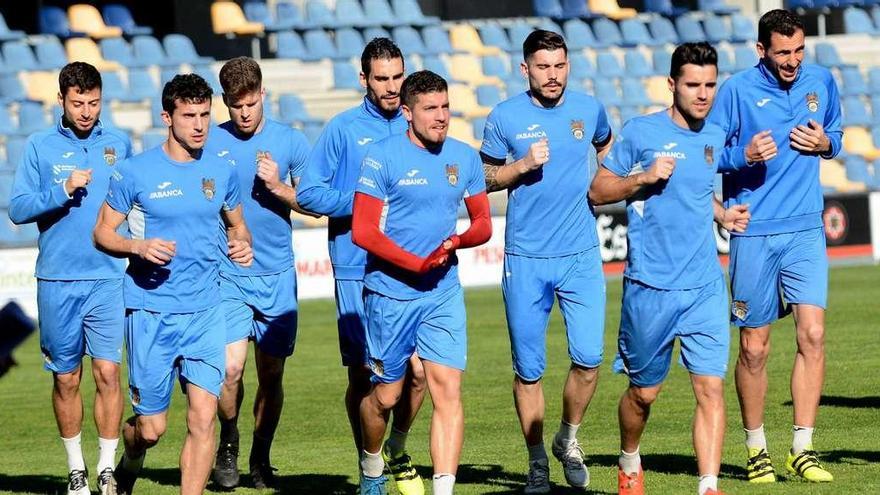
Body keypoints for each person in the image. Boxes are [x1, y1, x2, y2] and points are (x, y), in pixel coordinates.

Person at [591, 42, 751, 495]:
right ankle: (628, 459)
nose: (703, 94)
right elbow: (598, 190)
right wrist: (642, 177)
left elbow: (698, 192)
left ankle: (708, 484)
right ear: (672, 84)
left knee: (710, 390)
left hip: (704, 285)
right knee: (642, 396)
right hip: (650, 288)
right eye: (693, 85)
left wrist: (722, 214)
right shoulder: (641, 133)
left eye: (709, 85)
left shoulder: (714, 135)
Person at [92, 74, 253, 495]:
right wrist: (137, 246)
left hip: (205, 313)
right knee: (151, 429)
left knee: (203, 418)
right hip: (150, 313)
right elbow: (102, 233)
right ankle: (129, 461)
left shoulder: (222, 170)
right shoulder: (134, 172)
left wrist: (242, 246)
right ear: (167, 117)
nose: (199, 125)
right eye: (188, 116)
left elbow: (239, 228)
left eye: (204, 115)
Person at [708, 9, 842, 484]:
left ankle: (802, 448)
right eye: (783, 52)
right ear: (761, 50)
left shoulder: (822, 81)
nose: (792, 61)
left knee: (814, 335)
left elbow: (837, 135)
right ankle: (756, 447)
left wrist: (826, 142)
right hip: (754, 233)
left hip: (805, 228)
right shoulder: (736, 91)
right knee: (754, 348)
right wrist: (740, 156)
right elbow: (707, 155)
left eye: (799, 50)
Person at [479, 30, 612, 493]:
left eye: (559, 65)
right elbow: (483, 176)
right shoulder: (504, 117)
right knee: (528, 370)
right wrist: (518, 168)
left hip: (580, 254)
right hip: (526, 258)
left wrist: (616, 188)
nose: (552, 75)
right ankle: (537, 460)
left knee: (590, 360)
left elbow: (607, 152)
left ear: (568, 65)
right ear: (525, 70)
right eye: (542, 67)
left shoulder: (590, 109)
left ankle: (567, 438)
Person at [351, 69, 492, 495]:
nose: (442, 116)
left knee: (447, 389)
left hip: (442, 292)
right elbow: (363, 231)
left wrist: (457, 240)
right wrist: (414, 264)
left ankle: (443, 490)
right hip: (390, 295)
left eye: (446, 106)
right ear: (408, 113)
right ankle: (373, 466)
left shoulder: (465, 157)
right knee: (386, 397)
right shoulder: (381, 156)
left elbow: (483, 222)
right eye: (431, 108)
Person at [297, 37, 427, 494]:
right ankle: (369, 468)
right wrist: (363, 205)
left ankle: (397, 447)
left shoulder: (419, 124)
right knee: (363, 375)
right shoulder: (342, 129)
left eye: (397, 77)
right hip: (357, 268)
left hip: (411, 270)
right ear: (364, 80)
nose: (392, 88)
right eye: (382, 79)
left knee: (417, 374)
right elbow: (308, 193)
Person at [8, 61, 132, 495]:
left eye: (94, 103)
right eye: (78, 103)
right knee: (66, 378)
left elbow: (135, 204)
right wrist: (60, 192)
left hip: (108, 278)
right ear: (60, 100)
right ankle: (75, 468)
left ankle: (105, 467)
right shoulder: (39, 147)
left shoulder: (120, 143)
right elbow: (18, 209)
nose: (86, 111)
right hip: (58, 279)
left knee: (108, 373)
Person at [206, 56, 312, 490]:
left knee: (271, 374)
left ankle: (260, 457)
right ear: (224, 103)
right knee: (230, 371)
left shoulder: (291, 141)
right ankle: (227, 445)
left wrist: (279, 186)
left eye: (250, 103)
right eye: (235, 105)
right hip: (227, 275)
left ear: (263, 94)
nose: (244, 112)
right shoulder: (209, 142)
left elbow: (315, 204)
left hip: (276, 274)